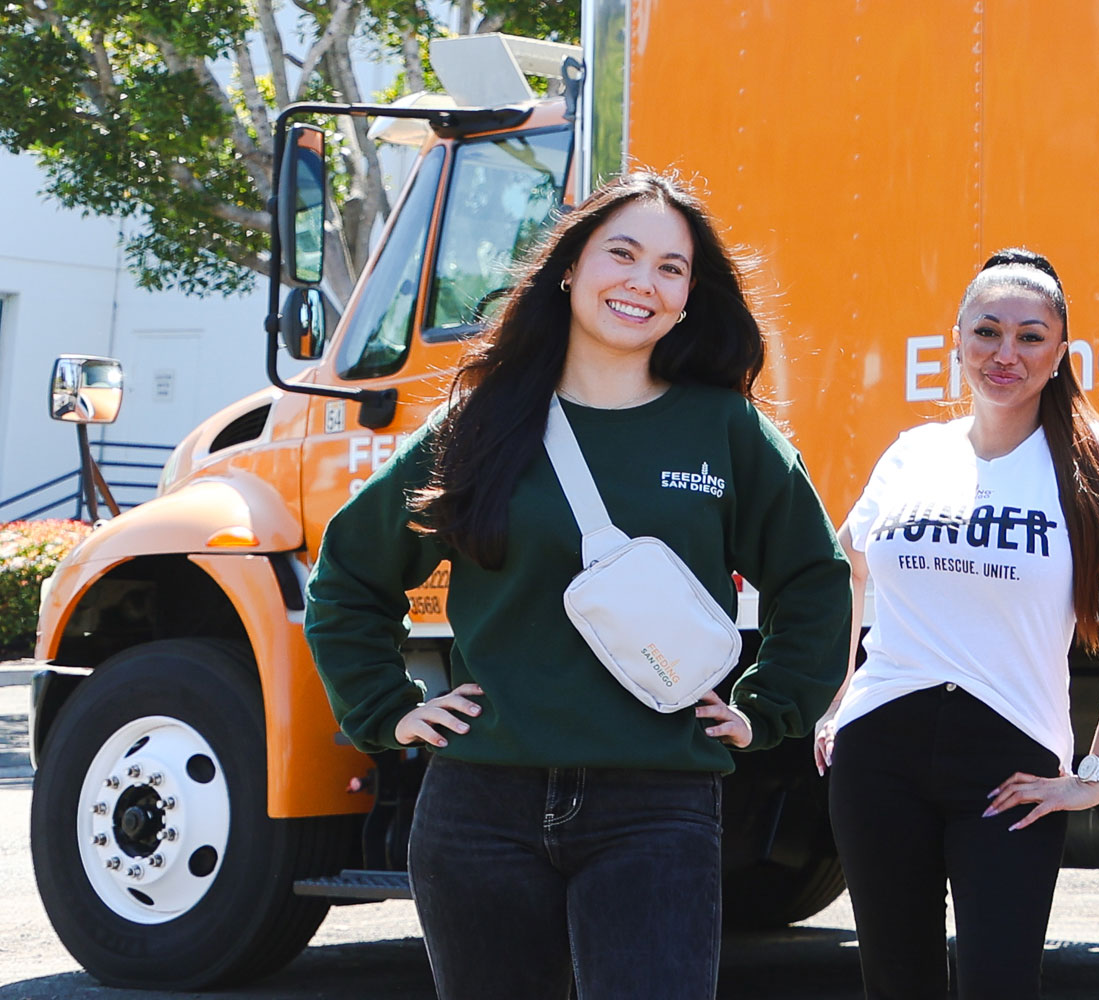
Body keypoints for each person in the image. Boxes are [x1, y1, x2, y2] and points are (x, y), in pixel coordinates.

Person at [302, 171, 853, 999]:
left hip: (657, 808)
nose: (643, 281)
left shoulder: (725, 430)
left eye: (671, 268)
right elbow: (349, 570)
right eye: (621, 254)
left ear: (688, 297)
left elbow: (814, 580)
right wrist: (386, 708)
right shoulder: (483, 425)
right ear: (570, 269)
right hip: (480, 805)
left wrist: (767, 709)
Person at [821, 250, 1099, 1000]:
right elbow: (848, 570)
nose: (1006, 353)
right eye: (988, 332)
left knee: (999, 983)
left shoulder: (1091, 459)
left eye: (1031, 336)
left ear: (1062, 352)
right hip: (879, 753)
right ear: (957, 340)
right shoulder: (914, 453)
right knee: (895, 983)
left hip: (1012, 766)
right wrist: (836, 697)